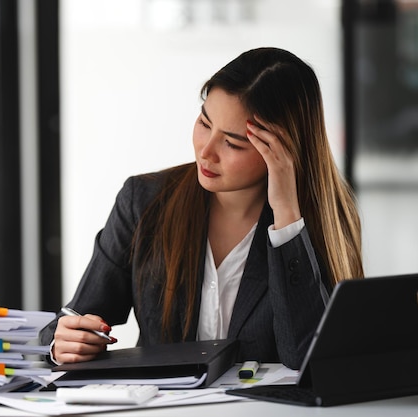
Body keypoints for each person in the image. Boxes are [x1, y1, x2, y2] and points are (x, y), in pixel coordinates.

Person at [39, 47, 364, 370]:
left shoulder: (325, 219)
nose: (206, 152)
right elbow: (75, 319)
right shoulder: (143, 202)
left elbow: (306, 357)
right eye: (205, 123)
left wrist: (287, 219)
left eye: (232, 143)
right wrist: (64, 341)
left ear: (282, 150)